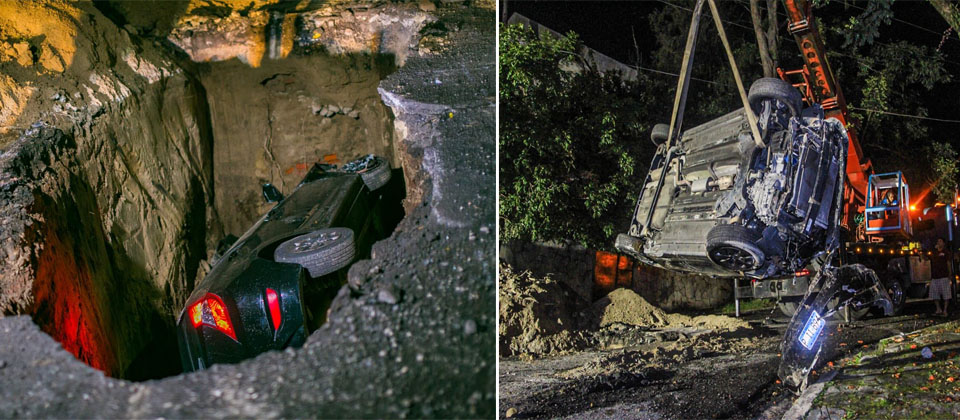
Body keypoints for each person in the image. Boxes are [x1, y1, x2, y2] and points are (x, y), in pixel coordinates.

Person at [929, 238, 953, 317]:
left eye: (940, 241)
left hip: (944, 276)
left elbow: (948, 263)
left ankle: (945, 310)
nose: (938, 242)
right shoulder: (934, 252)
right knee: (935, 294)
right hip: (935, 276)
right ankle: (938, 309)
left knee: (946, 294)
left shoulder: (946, 252)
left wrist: (950, 274)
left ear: (943, 243)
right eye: (938, 241)